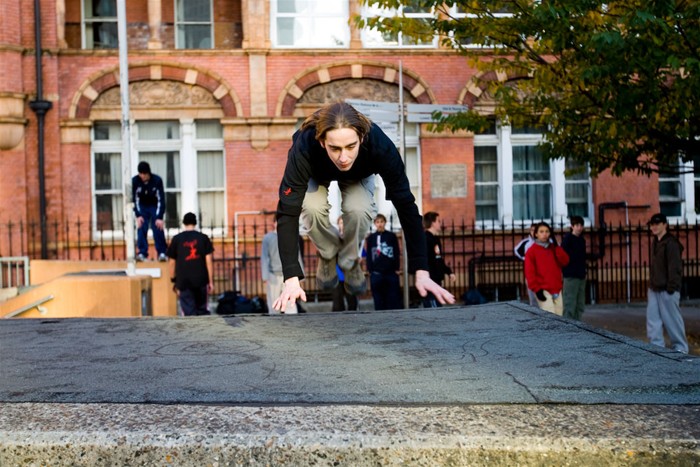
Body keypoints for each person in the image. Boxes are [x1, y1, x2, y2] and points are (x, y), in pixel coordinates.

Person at [272, 102, 455, 312]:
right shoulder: (304, 146)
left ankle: (349, 262)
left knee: (359, 207)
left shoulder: (380, 146)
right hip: (316, 174)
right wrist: (291, 277)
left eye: (351, 147)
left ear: (361, 138)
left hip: (359, 176)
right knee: (311, 207)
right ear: (322, 142)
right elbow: (287, 212)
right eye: (335, 148)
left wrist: (421, 269)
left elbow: (406, 205)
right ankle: (328, 253)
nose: (343, 158)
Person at [646, 213, 688, 353]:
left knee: (672, 322)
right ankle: (657, 348)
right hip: (655, 288)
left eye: (657, 224)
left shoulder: (671, 243)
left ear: (665, 225)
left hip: (667, 289)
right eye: (652, 224)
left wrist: (672, 288)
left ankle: (680, 349)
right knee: (653, 321)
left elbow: (675, 267)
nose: (654, 227)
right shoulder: (656, 242)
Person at [167, 212, 214, 316]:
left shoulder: (176, 239)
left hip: (183, 281)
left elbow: (171, 262)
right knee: (202, 311)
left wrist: (173, 280)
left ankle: (192, 332)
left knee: (189, 313)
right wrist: (210, 281)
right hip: (201, 280)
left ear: (183, 223)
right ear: (195, 223)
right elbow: (209, 261)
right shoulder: (203, 238)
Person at [524, 222, 569, 316]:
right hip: (543, 289)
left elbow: (565, 261)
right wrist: (537, 289)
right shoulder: (531, 251)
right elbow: (529, 273)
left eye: (547, 231)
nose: (544, 234)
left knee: (559, 316)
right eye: (541, 231)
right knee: (550, 317)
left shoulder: (553, 248)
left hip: (557, 288)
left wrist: (557, 247)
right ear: (536, 234)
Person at [261, 218, 300, 314]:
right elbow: (264, 257)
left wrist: (299, 276)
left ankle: (292, 324)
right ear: (274, 223)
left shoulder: (290, 237)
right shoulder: (268, 238)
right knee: (274, 303)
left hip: (288, 275)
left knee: (290, 302)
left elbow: (296, 256)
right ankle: (275, 326)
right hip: (273, 275)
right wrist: (265, 276)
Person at [365, 213, 402, 310]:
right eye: (377, 222)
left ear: (385, 223)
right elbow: (369, 254)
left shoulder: (391, 236)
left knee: (392, 299)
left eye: (381, 222)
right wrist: (369, 269)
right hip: (376, 273)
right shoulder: (371, 238)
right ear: (375, 224)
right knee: (378, 300)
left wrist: (397, 268)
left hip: (390, 272)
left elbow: (396, 252)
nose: (380, 224)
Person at [132, 161, 167, 261]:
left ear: (148, 173)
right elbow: (135, 200)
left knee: (157, 226)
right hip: (142, 206)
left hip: (154, 205)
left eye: (144, 174)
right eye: (140, 174)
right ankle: (142, 252)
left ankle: (162, 252)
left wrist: (159, 217)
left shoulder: (157, 180)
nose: (142, 176)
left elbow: (161, 199)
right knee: (142, 225)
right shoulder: (135, 181)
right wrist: (138, 215)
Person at [423, 212, 456, 308]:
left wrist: (449, 272)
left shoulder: (436, 239)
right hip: (430, 281)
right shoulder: (425, 238)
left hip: (437, 280)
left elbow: (439, 259)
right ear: (433, 223)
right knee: (433, 309)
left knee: (438, 307)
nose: (440, 223)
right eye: (438, 221)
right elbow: (426, 260)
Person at [561, 215, 587, 320]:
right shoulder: (568, 240)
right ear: (572, 226)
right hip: (571, 275)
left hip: (580, 274)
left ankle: (578, 323)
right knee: (570, 303)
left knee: (580, 303)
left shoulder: (581, 240)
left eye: (581, 225)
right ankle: (568, 326)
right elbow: (564, 257)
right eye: (577, 225)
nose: (579, 228)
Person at [332, 216, 359, 311]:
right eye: (341, 222)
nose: (342, 225)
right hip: (337, 272)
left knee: (351, 300)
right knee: (337, 301)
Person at [514, 223, 539, 306]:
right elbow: (516, 250)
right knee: (533, 299)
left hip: (543, 274)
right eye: (532, 230)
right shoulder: (526, 243)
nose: (534, 232)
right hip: (530, 274)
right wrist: (524, 259)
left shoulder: (546, 242)